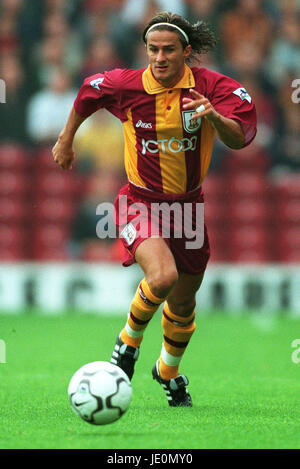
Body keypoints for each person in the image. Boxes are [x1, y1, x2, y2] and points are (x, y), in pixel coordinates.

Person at [52, 11, 257, 407]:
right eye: (153, 49)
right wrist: (65, 140)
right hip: (139, 201)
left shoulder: (214, 88)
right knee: (161, 278)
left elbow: (242, 137)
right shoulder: (127, 85)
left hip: (189, 210)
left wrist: (214, 115)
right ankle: (125, 347)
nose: (159, 58)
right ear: (145, 50)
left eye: (168, 50)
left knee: (183, 305)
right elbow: (87, 91)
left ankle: (167, 371)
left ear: (187, 52)